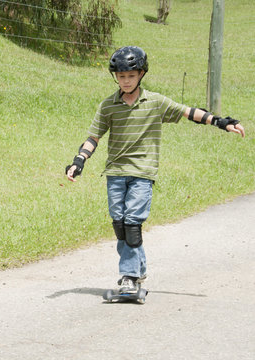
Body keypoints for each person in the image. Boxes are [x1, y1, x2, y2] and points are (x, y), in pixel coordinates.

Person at [65, 46, 245, 293]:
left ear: (141, 74)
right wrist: (79, 161)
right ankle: (137, 270)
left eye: (131, 75)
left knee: (132, 223)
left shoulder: (156, 102)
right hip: (116, 172)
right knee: (119, 224)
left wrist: (221, 122)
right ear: (115, 77)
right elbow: (94, 137)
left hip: (142, 172)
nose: (126, 81)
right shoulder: (108, 106)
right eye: (121, 76)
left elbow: (187, 112)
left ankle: (129, 276)